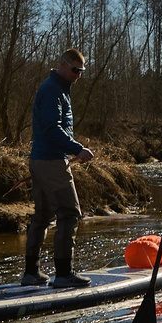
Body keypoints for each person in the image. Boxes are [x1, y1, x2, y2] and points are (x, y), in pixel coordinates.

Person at [27, 48, 96, 286]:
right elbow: (52, 129)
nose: (78, 75)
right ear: (63, 65)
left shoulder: (58, 90)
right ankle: (64, 274)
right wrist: (77, 149)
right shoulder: (52, 90)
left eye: (81, 72)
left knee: (44, 216)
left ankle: (31, 273)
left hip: (43, 160)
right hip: (51, 162)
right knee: (69, 213)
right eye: (75, 70)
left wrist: (70, 150)